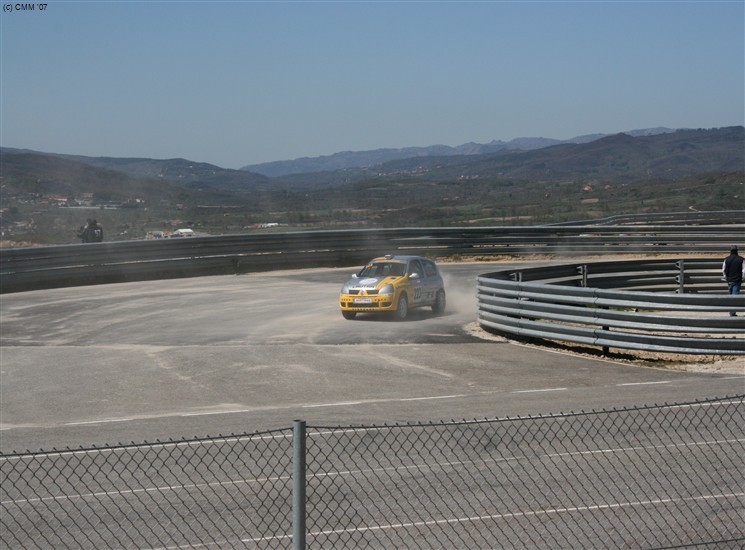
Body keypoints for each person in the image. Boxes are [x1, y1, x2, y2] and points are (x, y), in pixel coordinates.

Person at [722, 245, 744, 316]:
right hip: (737, 280)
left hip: (729, 280)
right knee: (735, 296)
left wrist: (725, 277)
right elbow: (744, 270)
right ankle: (732, 313)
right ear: (737, 251)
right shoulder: (741, 259)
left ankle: (732, 312)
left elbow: (724, 270)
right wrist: (743, 278)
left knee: (731, 295)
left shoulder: (726, 259)